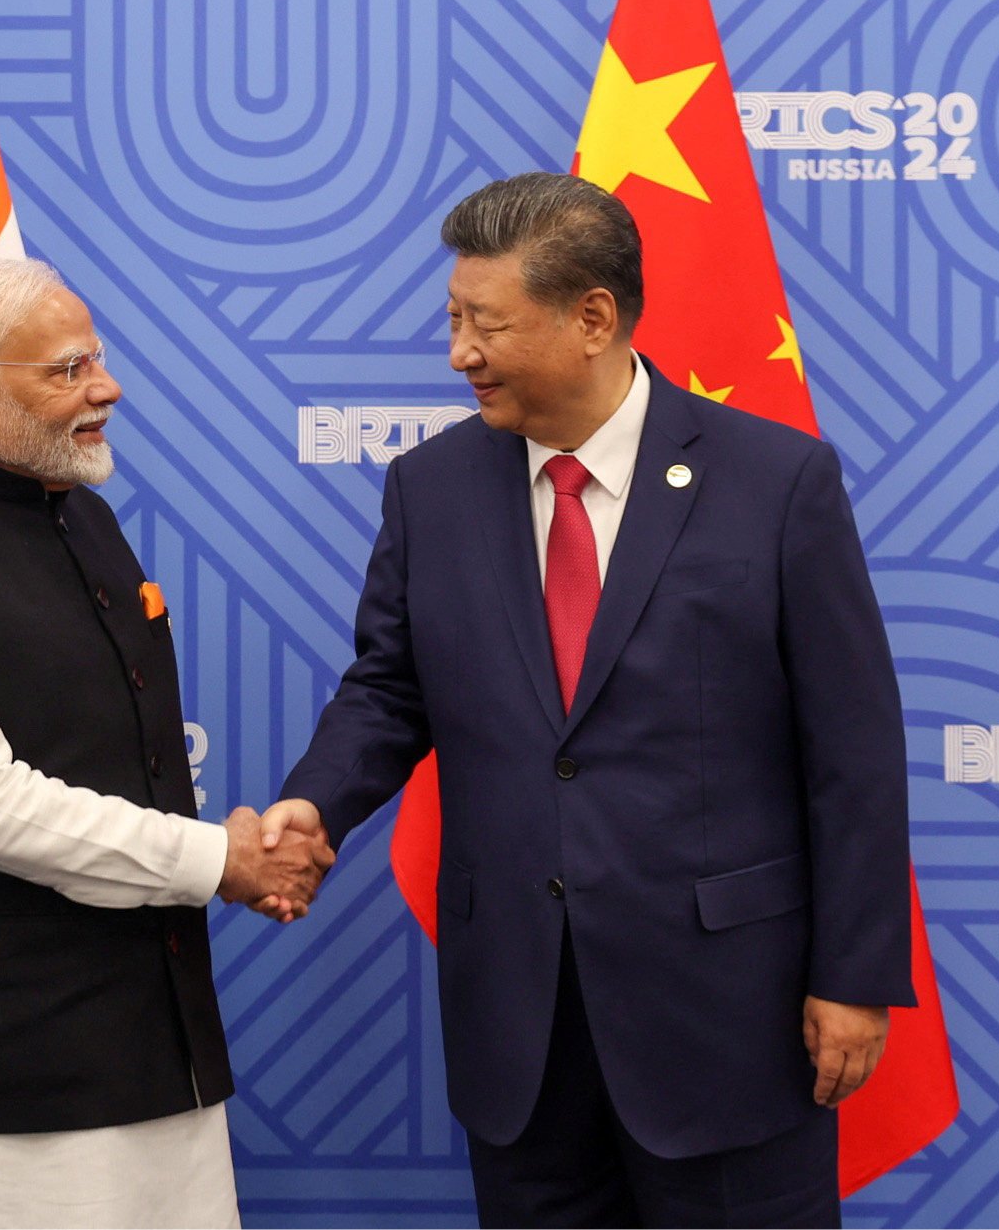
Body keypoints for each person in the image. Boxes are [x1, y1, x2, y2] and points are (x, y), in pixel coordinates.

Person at [261, 173, 913, 1229]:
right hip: (519, 1028)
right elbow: (387, 688)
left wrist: (853, 973)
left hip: (728, 1023)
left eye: (483, 323)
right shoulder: (428, 490)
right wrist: (316, 801)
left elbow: (851, 749)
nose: (457, 352)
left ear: (592, 318)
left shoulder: (774, 482)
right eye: (453, 319)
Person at [0, 257, 332, 1230]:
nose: (106, 387)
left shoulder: (80, 515)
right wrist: (220, 857)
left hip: (145, 1050)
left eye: (97, 359)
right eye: (67, 368)